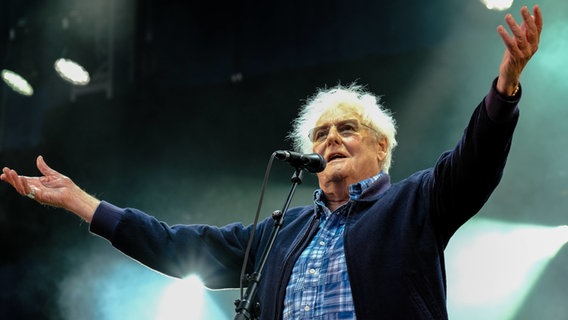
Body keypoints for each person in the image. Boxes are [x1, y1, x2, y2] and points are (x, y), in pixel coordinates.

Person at [1, 5, 543, 320]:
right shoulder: (281, 232)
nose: (330, 140)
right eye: (322, 133)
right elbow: (178, 245)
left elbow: (476, 160)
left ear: (381, 147)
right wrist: (82, 203)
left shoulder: (416, 203)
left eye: (346, 129)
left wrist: (506, 85)